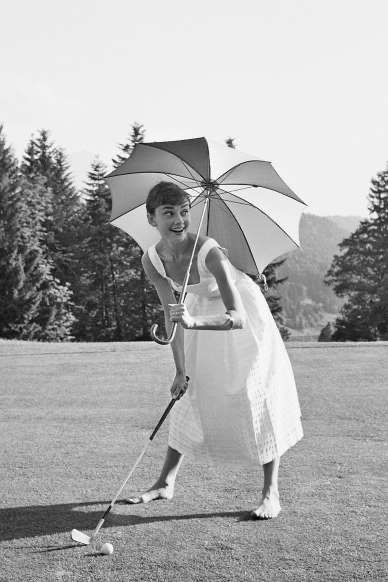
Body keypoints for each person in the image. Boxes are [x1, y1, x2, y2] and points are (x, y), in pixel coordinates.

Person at [125, 181, 303, 519]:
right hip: (195, 314)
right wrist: (179, 369)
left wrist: (193, 322)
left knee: (255, 395)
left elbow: (237, 317)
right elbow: (170, 313)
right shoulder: (152, 260)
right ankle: (165, 482)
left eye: (184, 212)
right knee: (189, 394)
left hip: (242, 321)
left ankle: (271, 492)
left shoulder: (210, 252)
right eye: (169, 213)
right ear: (152, 219)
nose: (179, 220)